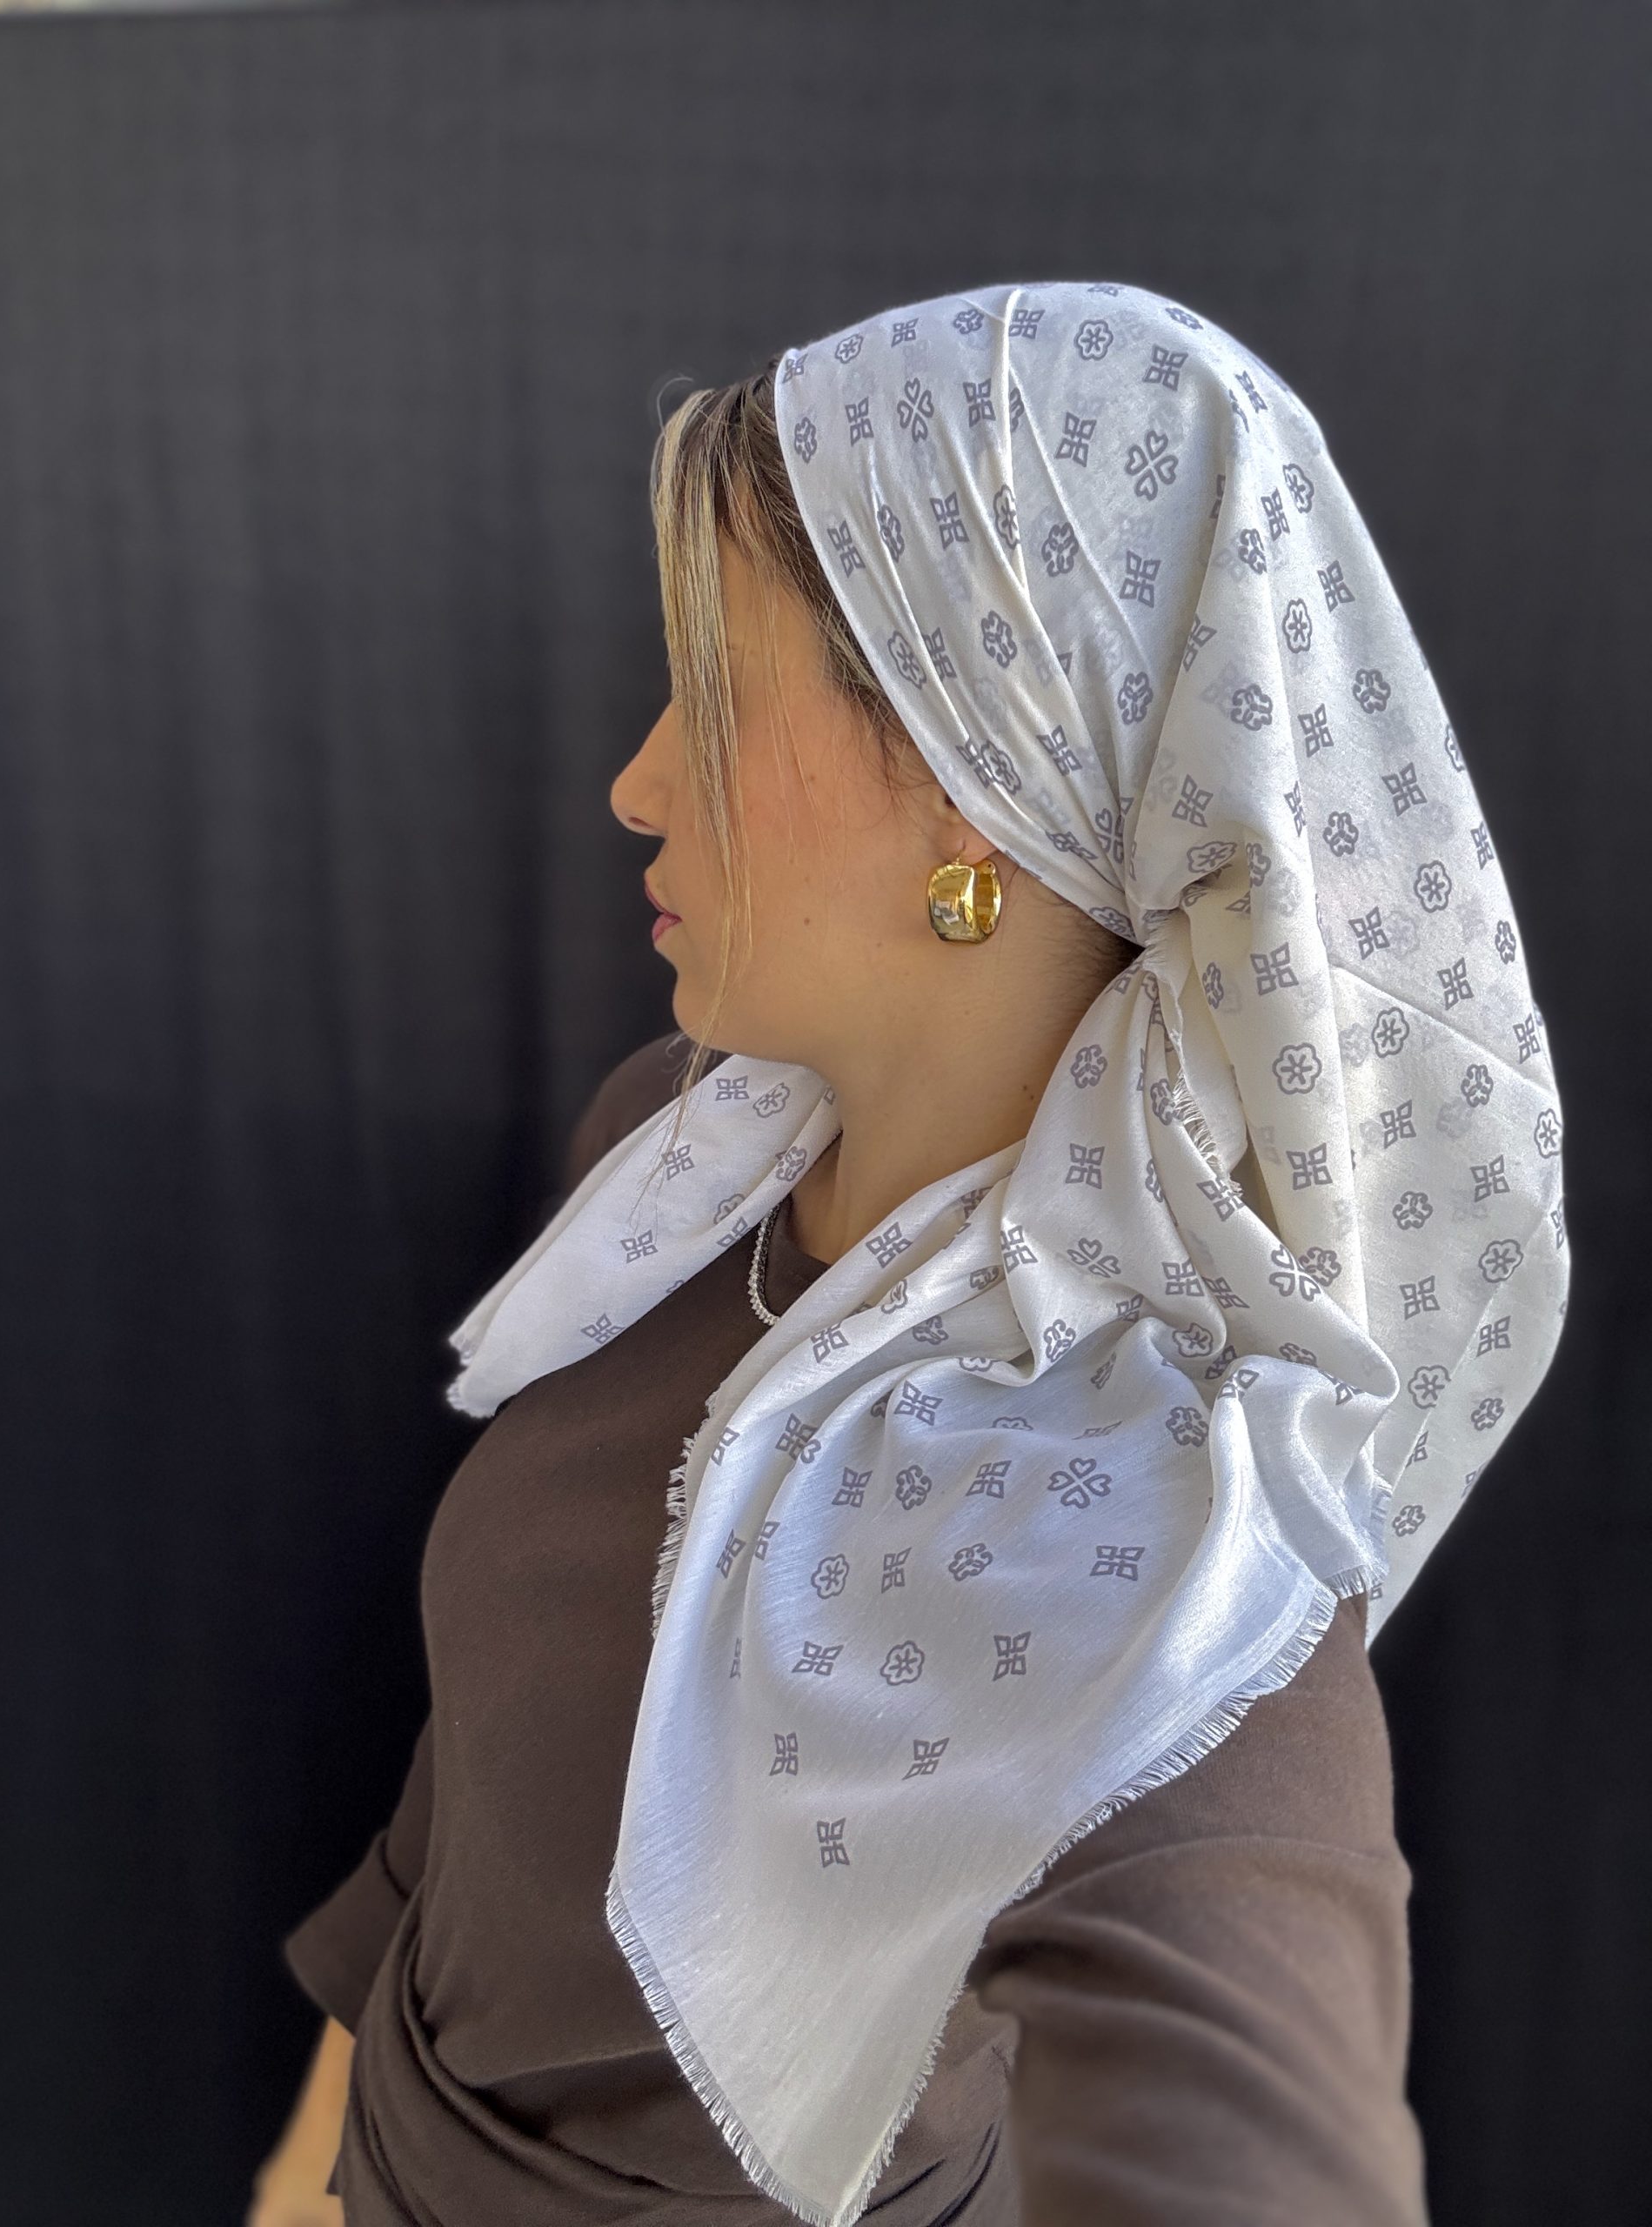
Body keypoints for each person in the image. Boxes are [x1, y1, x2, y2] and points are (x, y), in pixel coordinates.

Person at [252, 279, 1564, 2226]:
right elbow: (484, 1797)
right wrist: (302, 2173)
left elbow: (1242, 2088)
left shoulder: (1168, 1539)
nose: (636, 779)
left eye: (715, 692)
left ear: (977, 784)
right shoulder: (681, 1157)